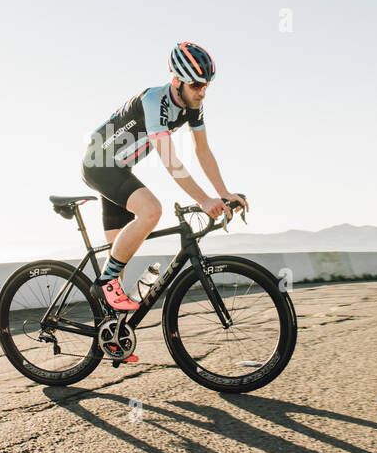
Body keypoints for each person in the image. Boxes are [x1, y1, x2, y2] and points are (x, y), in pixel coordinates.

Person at [81, 42, 250, 311]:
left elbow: (202, 151)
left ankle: (110, 328)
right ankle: (104, 284)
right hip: (99, 165)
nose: (202, 92)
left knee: (119, 259)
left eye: (206, 85)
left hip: (119, 169)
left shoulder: (193, 105)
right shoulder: (153, 101)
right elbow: (170, 160)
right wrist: (204, 200)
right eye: (196, 85)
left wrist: (223, 193)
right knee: (151, 210)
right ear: (177, 81)